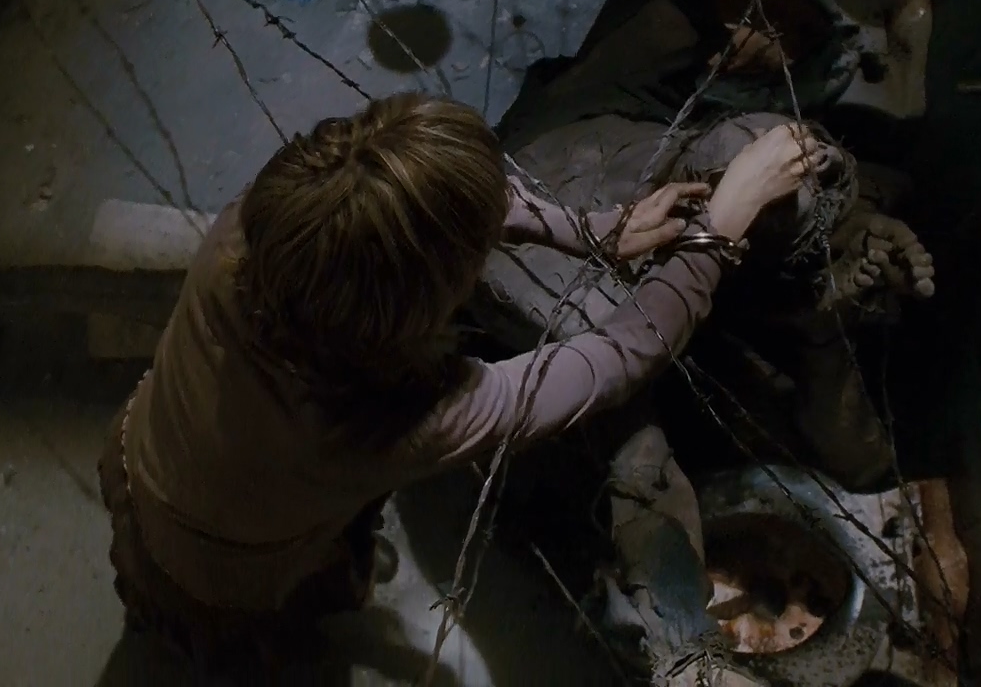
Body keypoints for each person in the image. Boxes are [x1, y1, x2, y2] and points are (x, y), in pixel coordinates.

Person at [97, 91, 830, 680]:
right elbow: (617, 356)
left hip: (144, 448)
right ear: (418, 309)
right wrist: (720, 228)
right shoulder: (395, 422)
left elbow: (422, 202)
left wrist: (593, 229)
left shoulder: (265, 228)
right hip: (215, 568)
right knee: (260, 633)